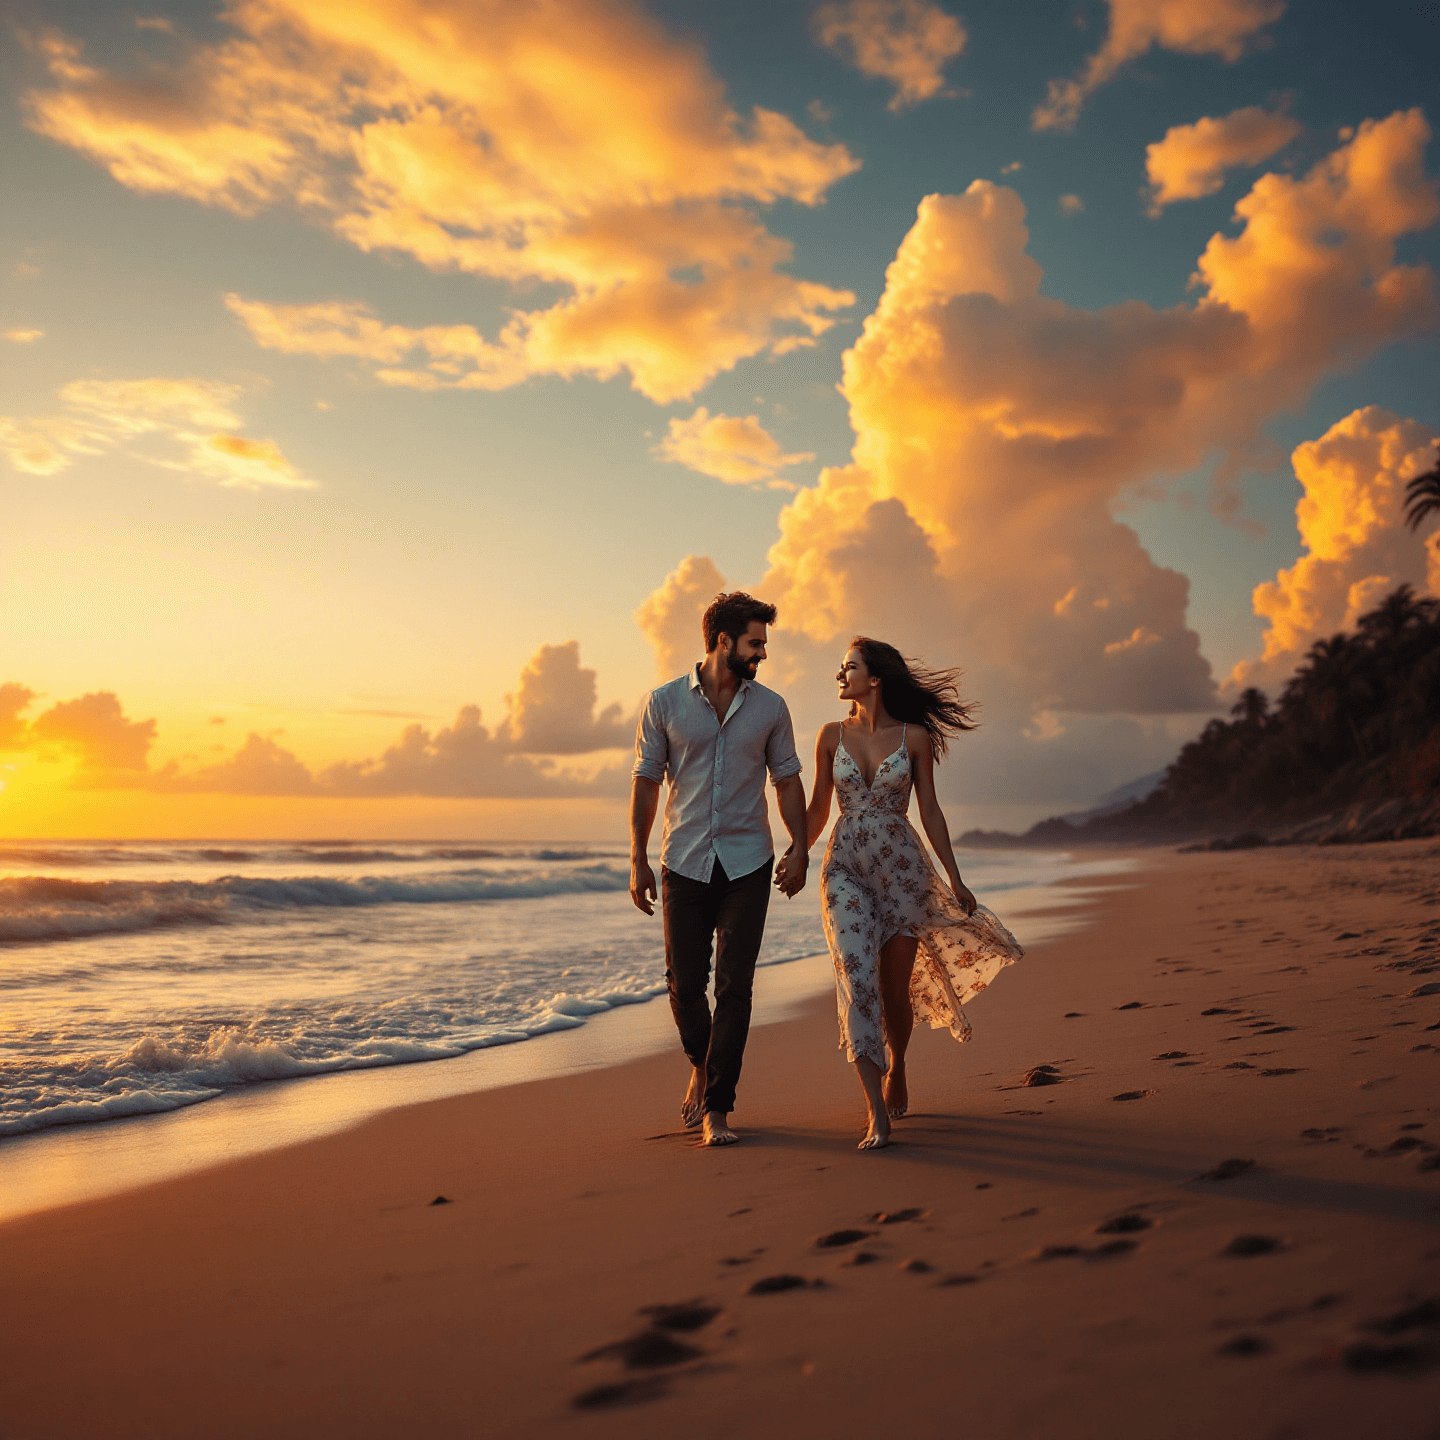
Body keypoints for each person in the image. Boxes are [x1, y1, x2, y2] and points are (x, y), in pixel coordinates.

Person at [781, 637, 1022, 1150]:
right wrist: (798, 850)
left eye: (849, 668)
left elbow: (929, 809)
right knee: (856, 975)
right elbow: (821, 804)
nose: (840, 675)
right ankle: (875, 1114)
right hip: (845, 866)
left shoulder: (914, 737)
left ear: (876, 678)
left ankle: (900, 1063)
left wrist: (955, 878)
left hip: (902, 871)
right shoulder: (829, 735)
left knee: (894, 992)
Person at [630, 592, 809, 1147]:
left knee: (735, 988)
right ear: (723, 641)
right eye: (755, 643)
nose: (762, 654)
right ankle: (702, 1063)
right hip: (682, 862)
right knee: (684, 985)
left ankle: (718, 1110)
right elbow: (646, 780)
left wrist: (800, 846)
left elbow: (786, 779)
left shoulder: (771, 708)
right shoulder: (663, 703)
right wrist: (636, 858)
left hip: (747, 862)